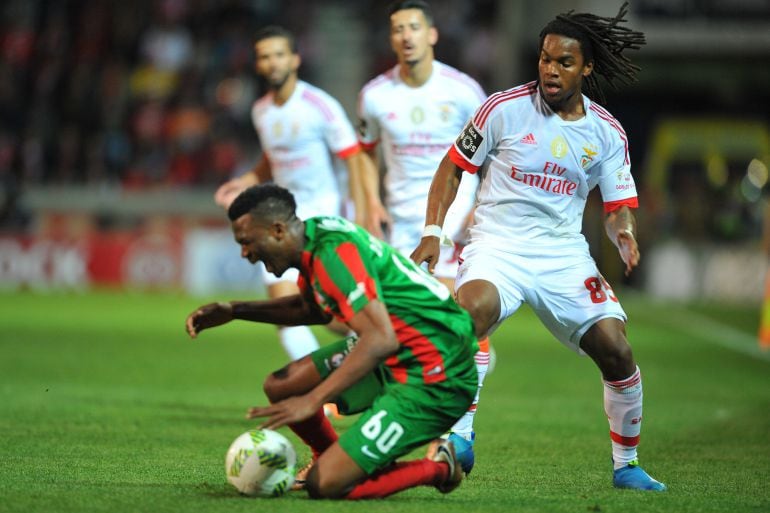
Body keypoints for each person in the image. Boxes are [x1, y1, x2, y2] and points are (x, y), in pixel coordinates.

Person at [411, 3, 666, 491]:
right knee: (469, 316)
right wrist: (432, 232)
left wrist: (625, 234)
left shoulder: (606, 133)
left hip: (562, 254)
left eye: (564, 62)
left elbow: (617, 207)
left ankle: (627, 464)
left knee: (616, 350)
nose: (550, 70)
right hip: (497, 246)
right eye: (545, 59)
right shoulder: (503, 108)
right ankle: (459, 436)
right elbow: (451, 167)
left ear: (586, 67)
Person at [185, 184, 479, 499]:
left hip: (437, 375)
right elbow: (311, 309)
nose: (245, 253)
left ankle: (439, 467)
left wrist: (313, 401)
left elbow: (378, 339)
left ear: (278, 230)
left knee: (325, 485)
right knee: (282, 386)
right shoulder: (315, 237)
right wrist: (234, 310)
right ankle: (333, 456)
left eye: (246, 242)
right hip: (401, 350)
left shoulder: (332, 255)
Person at [354, 0, 489, 473]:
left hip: (454, 223)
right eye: (397, 29)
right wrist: (368, 204)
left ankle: (459, 433)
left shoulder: (464, 91)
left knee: (459, 323)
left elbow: (493, 152)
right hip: (400, 226)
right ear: (391, 39)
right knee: (397, 331)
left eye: (414, 27)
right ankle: (401, 421)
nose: (406, 35)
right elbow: (366, 154)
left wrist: (476, 208)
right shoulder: (374, 96)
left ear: (432, 34)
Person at [213, 25, 377, 361]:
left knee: (330, 313)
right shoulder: (261, 110)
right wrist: (244, 180)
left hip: (323, 214)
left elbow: (354, 158)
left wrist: (363, 215)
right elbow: (272, 159)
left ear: (295, 59)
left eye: (278, 55)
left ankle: (393, 341)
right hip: (278, 220)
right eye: (264, 57)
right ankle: (320, 391)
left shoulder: (320, 105)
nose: (272, 63)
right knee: (288, 310)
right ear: (257, 64)